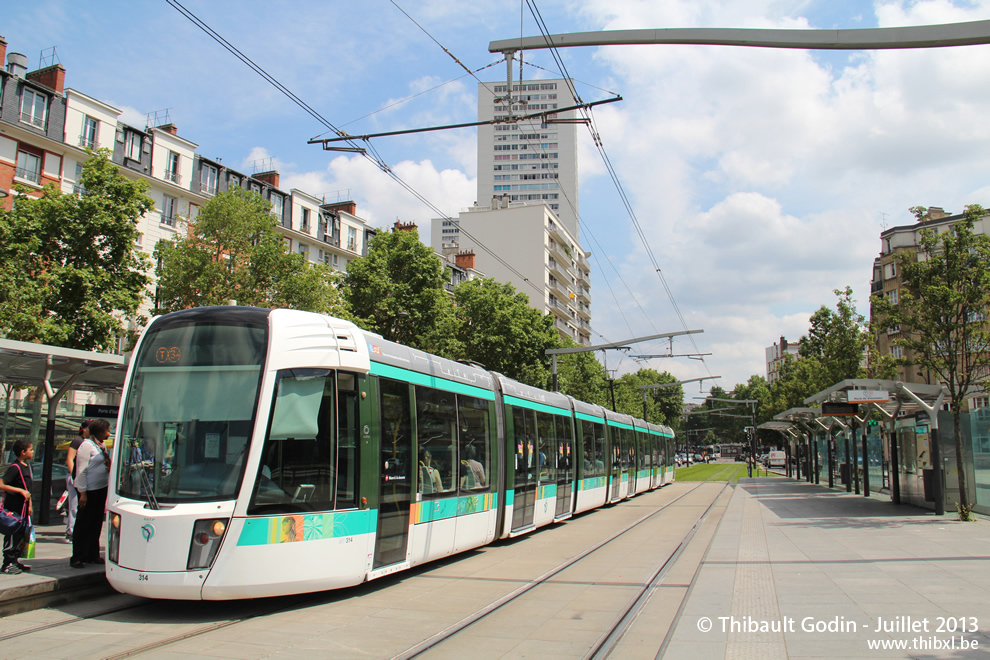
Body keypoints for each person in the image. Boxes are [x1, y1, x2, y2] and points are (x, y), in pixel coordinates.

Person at [71, 418, 111, 569]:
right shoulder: (86, 446)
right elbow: (81, 471)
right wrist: (82, 493)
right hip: (89, 490)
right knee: (84, 522)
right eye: (107, 430)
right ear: (100, 431)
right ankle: (78, 556)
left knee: (95, 522)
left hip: (101, 488)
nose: (109, 433)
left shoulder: (101, 445)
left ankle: (92, 554)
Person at [1, 439, 34, 575]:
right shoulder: (15, 468)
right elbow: (1, 484)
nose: (32, 452)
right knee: (11, 533)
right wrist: (19, 491)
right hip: (13, 508)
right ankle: (7, 563)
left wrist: (30, 505)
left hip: (23, 508)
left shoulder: (26, 466)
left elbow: (28, 489)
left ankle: (15, 560)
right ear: (23, 452)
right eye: (31, 450)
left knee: (20, 534)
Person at [65, 420, 90, 543]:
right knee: (74, 505)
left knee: (79, 505)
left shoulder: (88, 442)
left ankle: (76, 531)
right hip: (75, 477)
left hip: (81, 477)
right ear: (84, 429)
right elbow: (69, 459)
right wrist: (75, 477)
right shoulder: (78, 440)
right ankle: (71, 532)